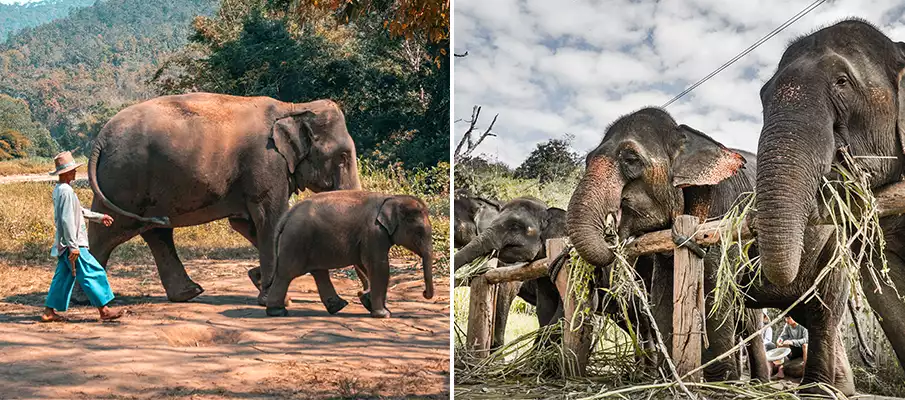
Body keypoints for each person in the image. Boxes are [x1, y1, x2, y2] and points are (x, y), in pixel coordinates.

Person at [41, 151, 123, 322]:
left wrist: (100, 217)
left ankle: (49, 311)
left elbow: (78, 212)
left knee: (63, 277)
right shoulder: (66, 191)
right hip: (73, 243)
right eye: (73, 170)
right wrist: (74, 246)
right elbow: (67, 219)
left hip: (65, 244)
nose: (75, 172)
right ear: (66, 172)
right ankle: (104, 310)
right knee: (94, 272)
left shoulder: (61, 190)